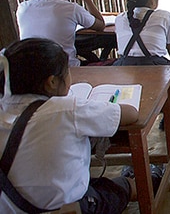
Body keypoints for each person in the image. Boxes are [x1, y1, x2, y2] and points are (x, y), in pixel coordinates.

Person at [0, 38, 138, 213]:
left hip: (12, 206)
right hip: (66, 209)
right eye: (68, 71)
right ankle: (149, 180)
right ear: (52, 82)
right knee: (120, 187)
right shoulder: (65, 109)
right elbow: (131, 114)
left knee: (94, 183)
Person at [16, 0, 106, 67]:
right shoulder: (71, 9)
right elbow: (100, 25)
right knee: (109, 64)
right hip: (65, 69)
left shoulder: (23, 7)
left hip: (34, 69)